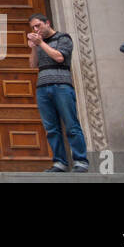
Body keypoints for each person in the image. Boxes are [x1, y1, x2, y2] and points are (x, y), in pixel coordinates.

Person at [27, 13, 89, 173]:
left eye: (38, 25)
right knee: (51, 128)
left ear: (47, 23)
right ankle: (60, 163)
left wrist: (41, 43)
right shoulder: (39, 44)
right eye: (33, 27)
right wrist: (34, 47)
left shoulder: (64, 38)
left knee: (71, 124)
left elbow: (59, 57)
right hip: (42, 87)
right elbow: (33, 65)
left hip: (61, 85)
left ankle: (80, 161)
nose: (36, 29)